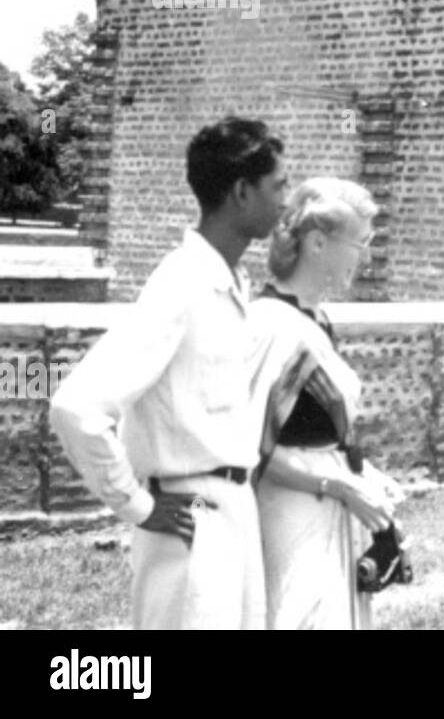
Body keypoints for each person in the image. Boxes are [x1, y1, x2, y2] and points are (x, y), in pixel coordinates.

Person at [50, 117, 288, 629]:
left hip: (233, 509)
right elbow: (76, 407)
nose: (285, 201)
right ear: (242, 192)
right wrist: (137, 505)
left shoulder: (230, 284)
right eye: (278, 186)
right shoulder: (183, 283)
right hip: (191, 514)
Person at [252, 177, 405, 630]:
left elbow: (320, 430)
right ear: (318, 243)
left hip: (332, 502)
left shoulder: (315, 318)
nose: (366, 256)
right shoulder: (271, 324)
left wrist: (364, 475)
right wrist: (336, 485)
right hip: (291, 511)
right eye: (360, 243)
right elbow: (252, 449)